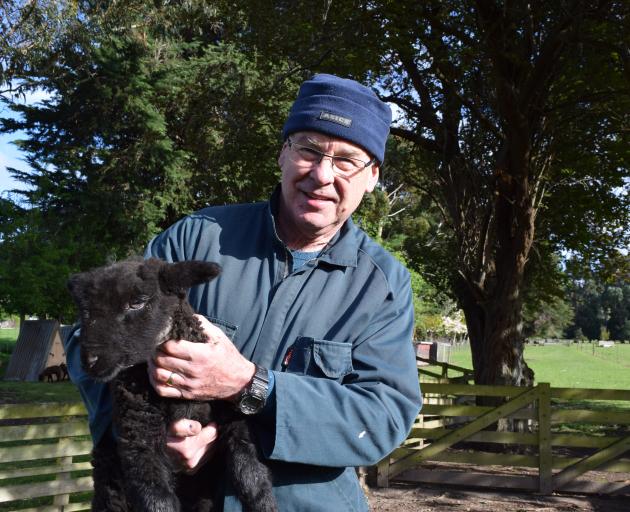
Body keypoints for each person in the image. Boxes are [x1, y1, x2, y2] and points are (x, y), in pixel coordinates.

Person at [65, 73, 422, 511]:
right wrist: (141, 432)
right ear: (283, 154)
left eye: (346, 160)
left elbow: (382, 417)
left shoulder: (381, 285)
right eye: (308, 149)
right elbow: (95, 341)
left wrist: (249, 385)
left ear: (372, 177)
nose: (322, 175)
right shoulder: (194, 240)